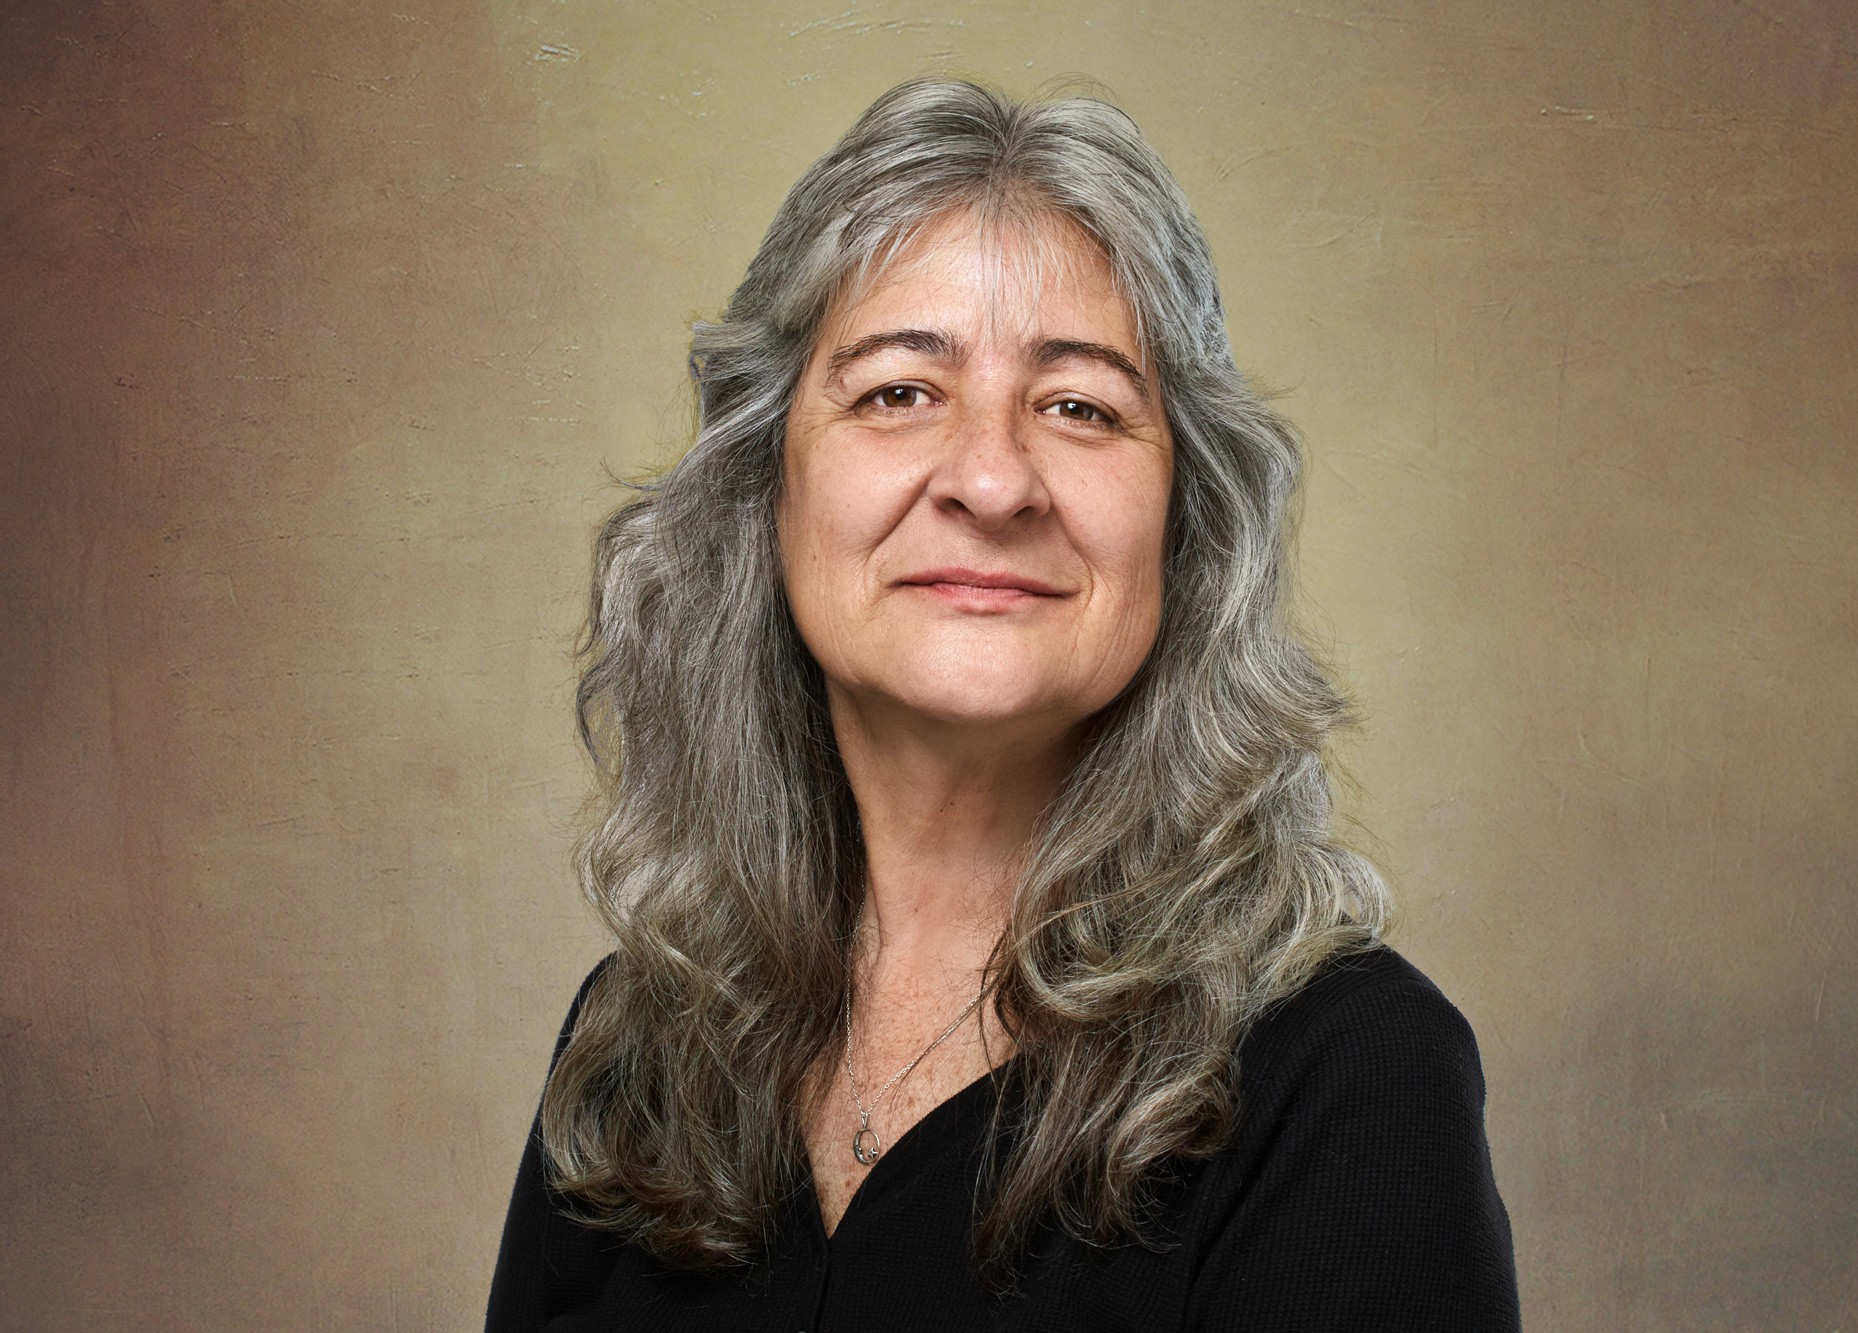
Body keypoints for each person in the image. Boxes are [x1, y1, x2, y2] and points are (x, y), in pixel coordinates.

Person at [486, 78, 1518, 1331]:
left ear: (1186, 524)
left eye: (1079, 407)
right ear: (764, 488)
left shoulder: (1349, 1077)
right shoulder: (635, 1044)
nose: (989, 481)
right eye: (896, 391)